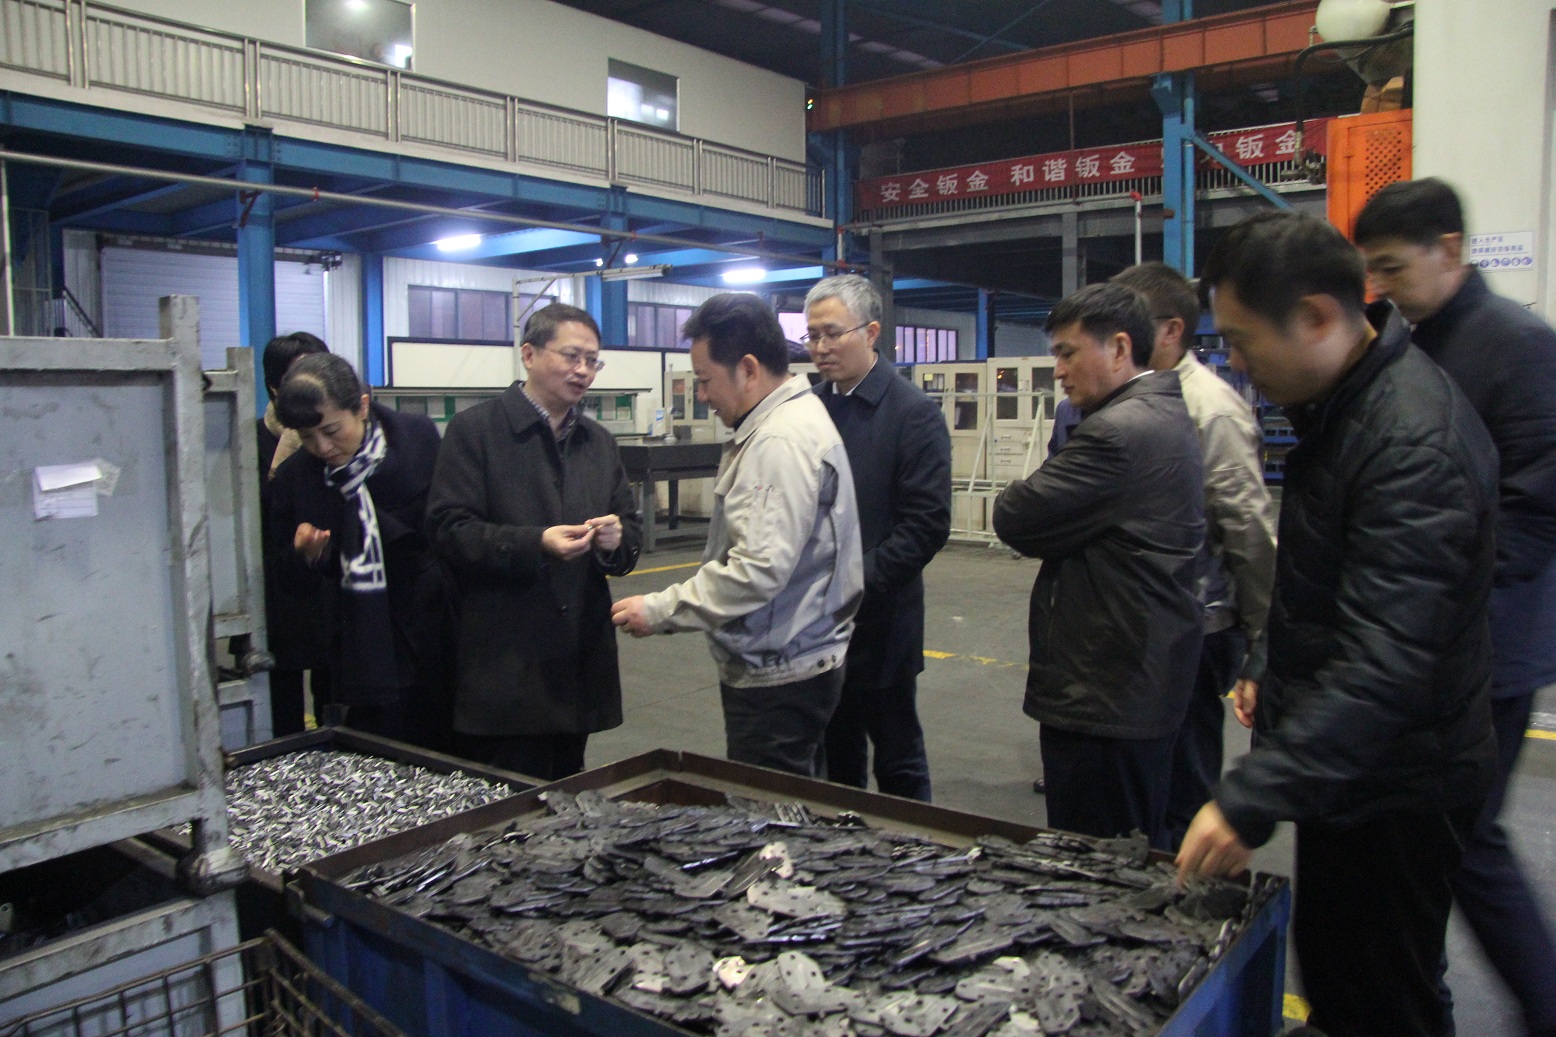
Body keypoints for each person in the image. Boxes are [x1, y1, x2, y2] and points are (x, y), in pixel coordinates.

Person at [1178, 211, 1499, 1037]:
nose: (1236, 364)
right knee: (1347, 974)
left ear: (1317, 316)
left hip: (1399, 782)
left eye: (1242, 341)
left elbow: (1389, 663)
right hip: (1354, 774)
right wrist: (1269, 658)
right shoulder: (1346, 407)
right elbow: (1326, 578)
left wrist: (1251, 796)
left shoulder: (1410, 442)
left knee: (1385, 996)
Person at [1355, 177, 1556, 1037]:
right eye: (1372, 271)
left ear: (1451, 249)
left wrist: (1425, 597)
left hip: (1489, 649)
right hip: (1424, 640)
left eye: (1394, 267)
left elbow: (1532, 515)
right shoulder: (1413, 339)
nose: (1382, 286)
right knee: (1424, 837)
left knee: (1465, 838)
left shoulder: (1519, 346)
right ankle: (1417, 993)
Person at [612, 293, 864, 777]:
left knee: (766, 807)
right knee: (796, 801)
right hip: (802, 656)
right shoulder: (793, 419)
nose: (702, 396)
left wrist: (660, 610)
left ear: (748, 369)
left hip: (780, 674)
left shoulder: (778, 440)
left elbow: (757, 571)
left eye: (705, 380)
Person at [992, 282, 1205, 849]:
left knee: (1096, 859)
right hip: (1139, 680)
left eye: (1068, 353)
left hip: (1106, 691)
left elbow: (1015, 515)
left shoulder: (1116, 433)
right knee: (1136, 845)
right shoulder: (1161, 413)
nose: (1058, 371)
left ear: (1119, 348)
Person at [426, 303, 640, 781]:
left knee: (570, 785)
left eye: (593, 361)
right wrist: (535, 543)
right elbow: (447, 530)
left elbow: (630, 532)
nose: (583, 370)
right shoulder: (476, 432)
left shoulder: (598, 443)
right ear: (529, 354)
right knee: (511, 791)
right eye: (572, 356)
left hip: (578, 659)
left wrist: (615, 539)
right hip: (507, 661)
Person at [1111, 263, 1277, 849]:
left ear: (1172, 330)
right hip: (1138, 620)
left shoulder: (1210, 408)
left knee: (1184, 781)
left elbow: (1247, 529)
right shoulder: (1129, 396)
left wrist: (1263, 641)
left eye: (1127, 325)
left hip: (1196, 626)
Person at [802, 274, 951, 801]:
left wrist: (852, 583)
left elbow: (926, 525)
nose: (820, 347)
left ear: (871, 332)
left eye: (832, 333)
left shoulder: (913, 414)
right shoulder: (808, 410)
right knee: (835, 758)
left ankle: (912, 846)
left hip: (882, 623)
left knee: (898, 758)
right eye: (812, 336)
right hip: (819, 625)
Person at [267, 353, 443, 742]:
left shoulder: (417, 440)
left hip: (432, 631)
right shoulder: (296, 479)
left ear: (362, 406)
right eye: (307, 437)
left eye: (331, 430)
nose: (323, 447)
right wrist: (304, 558)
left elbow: (450, 525)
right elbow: (287, 584)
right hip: (356, 650)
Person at [256, 332, 333, 736]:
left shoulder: (334, 439)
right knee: (281, 709)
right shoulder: (248, 443)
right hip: (275, 592)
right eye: (300, 375)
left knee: (332, 699)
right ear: (274, 387)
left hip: (325, 590)